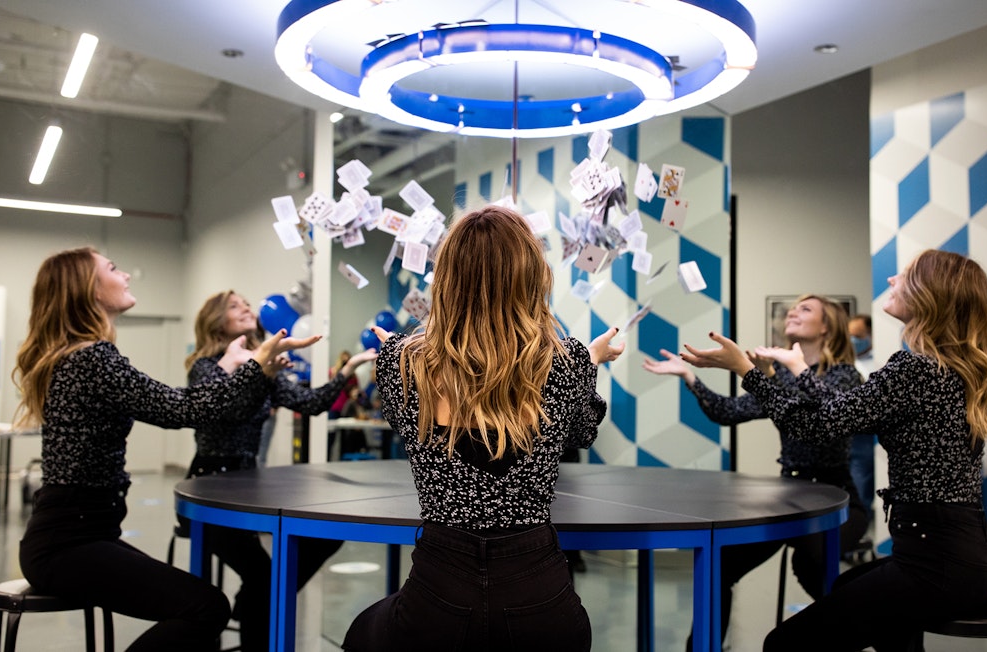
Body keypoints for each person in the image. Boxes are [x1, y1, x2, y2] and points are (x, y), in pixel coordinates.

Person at [682, 249, 987, 651]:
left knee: (784, 644)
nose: (891, 280)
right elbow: (841, 411)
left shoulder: (914, 369)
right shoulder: (948, 369)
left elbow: (815, 426)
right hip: (968, 558)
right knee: (847, 588)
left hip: (936, 562)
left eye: (904, 275)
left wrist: (748, 372)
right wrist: (792, 371)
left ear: (930, 294)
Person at [341, 205, 625, 652]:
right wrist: (587, 363)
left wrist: (395, 356)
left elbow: (403, 421)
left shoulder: (402, 361)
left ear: (448, 278)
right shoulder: (568, 360)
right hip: (543, 602)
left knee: (361, 633)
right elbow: (580, 433)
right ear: (532, 276)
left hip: (437, 597)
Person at [13, 247, 315, 652]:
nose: (126, 276)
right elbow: (183, 409)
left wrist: (230, 366)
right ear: (89, 289)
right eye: (113, 268)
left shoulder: (78, 357)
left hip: (75, 536)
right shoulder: (93, 359)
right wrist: (255, 363)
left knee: (202, 604)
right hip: (69, 543)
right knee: (204, 608)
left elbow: (182, 403)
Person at [643, 294, 870, 651]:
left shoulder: (844, 376)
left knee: (811, 564)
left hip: (836, 499)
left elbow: (820, 412)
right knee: (720, 567)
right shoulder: (778, 376)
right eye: (793, 307)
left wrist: (758, 373)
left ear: (828, 327)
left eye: (806, 309)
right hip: (789, 498)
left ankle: (870, 627)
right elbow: (727, 412)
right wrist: (690, 377)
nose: (794, 311)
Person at [183, 290, 377, 652]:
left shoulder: (264, 369)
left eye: (245, 303)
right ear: (215, 320)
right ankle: (257, 612)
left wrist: (348, 372)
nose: (246, 308)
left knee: (321, 538)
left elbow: (312, 403)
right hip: (208, 490)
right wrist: (257, 371)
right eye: (235, 305)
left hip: (246, 483)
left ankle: (250, 605)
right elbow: (221, 410)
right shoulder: (205, 366)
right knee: (262, 578)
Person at [847, 314, 877, 518]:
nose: (853, 341)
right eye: (849, 335)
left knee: (860, 493)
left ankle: (854, 540)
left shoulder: (880, 362)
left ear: (870, 334)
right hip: (843, 437)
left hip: (865, 439)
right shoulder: (844, 363)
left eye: (857, 335)